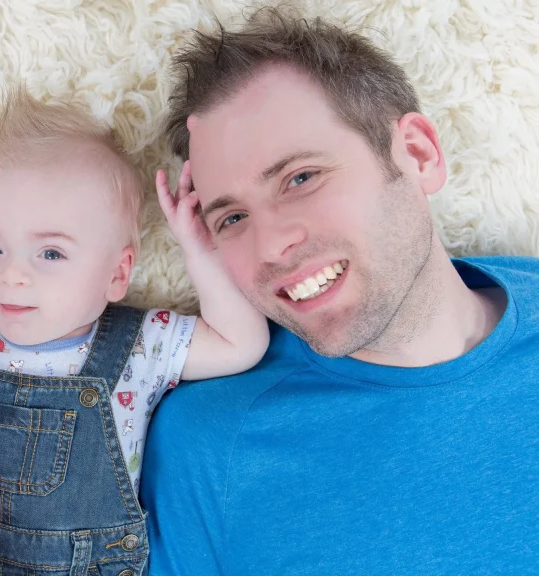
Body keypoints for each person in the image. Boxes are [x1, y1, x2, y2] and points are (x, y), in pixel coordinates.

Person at [140, 7, 539, 575]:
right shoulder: (209, 447)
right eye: (232, 218)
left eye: (300, 178)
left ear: (418, 154)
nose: (270, 246)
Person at [0, 88, 269, 574]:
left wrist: (200, 253)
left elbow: (241, 344)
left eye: (50, 253)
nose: (13, 274)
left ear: (117, 274)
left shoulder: (144, 344)